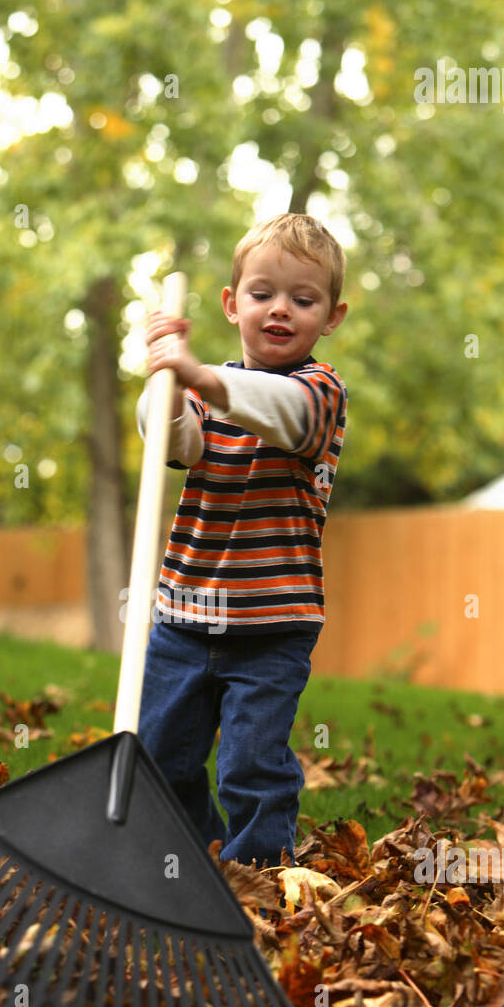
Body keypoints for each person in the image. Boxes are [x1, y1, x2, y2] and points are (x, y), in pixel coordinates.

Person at [134, 212, 349, 868]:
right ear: (233, 304)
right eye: (262, 294)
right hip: (185, 617)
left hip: (272, 624)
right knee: (160, 756)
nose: (280, 310)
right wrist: (166, 390)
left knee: (251, 764)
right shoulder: (201, 392)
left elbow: (275, 410)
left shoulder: (318, 393)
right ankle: (194, 854)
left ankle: (259, 869)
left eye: (302, 299)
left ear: (331, 316)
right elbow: (175, 442)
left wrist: (198, 376)